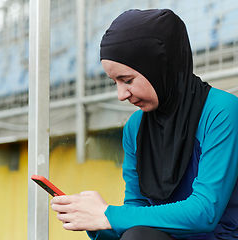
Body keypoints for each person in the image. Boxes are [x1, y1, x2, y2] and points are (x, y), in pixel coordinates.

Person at [50, 9, 238, 240]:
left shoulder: (222, 110)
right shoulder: (135, 126)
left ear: (161, 67)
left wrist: (107, 215)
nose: (121, 94)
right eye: (115, 82)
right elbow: (135, 215)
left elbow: (204, 212)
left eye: (127, 80)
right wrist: (90, 219)